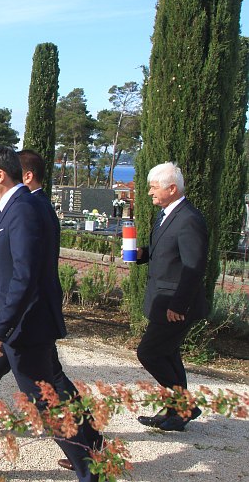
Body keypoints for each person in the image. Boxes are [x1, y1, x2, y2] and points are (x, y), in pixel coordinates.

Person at [0, 145, 103, 481]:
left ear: (0, 175)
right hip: (10, 324)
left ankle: (91, 470)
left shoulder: (24, 208)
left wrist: (1, 330)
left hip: (23, 328)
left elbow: (25, 276)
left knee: (45, 403)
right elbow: (8, 266)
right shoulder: (11, 206)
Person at [135, 162, 208, 431]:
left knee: (149, 352)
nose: (150, 193)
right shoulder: (166, 214)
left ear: (172, 188)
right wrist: (143, 254)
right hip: (163, 299)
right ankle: (176, 411)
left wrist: (179, 304)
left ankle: (184, 406)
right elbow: (168, 253)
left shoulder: (189, 219)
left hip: (175, 303)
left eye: (154, 187)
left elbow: (194, 266)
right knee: (168, 354)